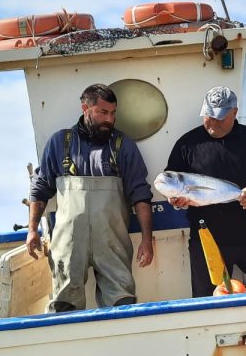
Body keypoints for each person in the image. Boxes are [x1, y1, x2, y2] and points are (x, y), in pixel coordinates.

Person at [27, 84, 154, 312]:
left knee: (122, 304)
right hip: (68, 244)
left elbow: (141, 195)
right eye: (103, 112)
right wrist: (32, 229)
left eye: (113, 113)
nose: (110, 119)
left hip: (112, 243)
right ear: (85, 108)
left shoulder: (123, 145)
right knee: (64, 305)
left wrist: (147, 239)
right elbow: (40, 189)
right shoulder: (59, 142)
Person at [165, 85, 246, 297]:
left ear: (234, 113)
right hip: (207, 240)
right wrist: (174, 199)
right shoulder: (187, 144)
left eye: (219, 118)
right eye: (208, 116)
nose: (212, 123)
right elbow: (170, 181)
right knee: (206, 303)